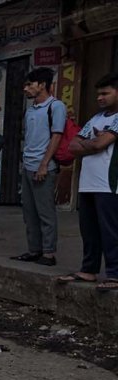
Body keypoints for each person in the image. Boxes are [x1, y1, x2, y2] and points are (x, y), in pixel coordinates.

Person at [58, 72, 118, 292]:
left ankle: (114, 273)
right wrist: (95, 141)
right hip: (88, 183)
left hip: (110, 184)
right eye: (98, 94)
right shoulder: (96, 119)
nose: (100, 98)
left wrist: (93, 143)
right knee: (89, 229)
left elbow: (100, 145)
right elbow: (72, 146)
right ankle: (89, 269)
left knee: (111, 229)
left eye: (105, 93)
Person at [12, 67, 67, 267]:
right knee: (29, 212)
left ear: (42, 85)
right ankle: (34, 250)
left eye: (29, 85)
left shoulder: (56, 106)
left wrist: (44, 164)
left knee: (45, 212)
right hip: (28, 165)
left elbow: (57, 135)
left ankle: (49, 253)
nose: (25, 89)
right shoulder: (31, 109)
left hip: (44, 167)